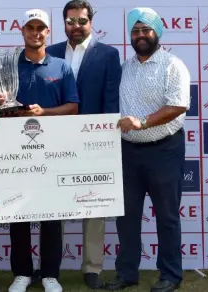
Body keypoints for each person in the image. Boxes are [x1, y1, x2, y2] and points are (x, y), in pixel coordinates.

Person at [105, 7, 190, 292]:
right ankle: (127, 274)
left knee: (166, 216)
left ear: (157, 33)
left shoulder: (172, 64)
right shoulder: (126, 67)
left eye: (145, 30)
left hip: (165, 150)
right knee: (126, 218)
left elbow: (178, 106)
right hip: (128, 152)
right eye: (135, 31)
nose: (140, 35)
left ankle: (170, 275)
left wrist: (142, 122)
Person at [43, 0, 122, 289]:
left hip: (94, 142)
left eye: (82, 21)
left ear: (91, 21)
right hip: (54, 142)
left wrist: (105, 141)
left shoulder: (109, 55)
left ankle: (92, 267)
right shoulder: (49, 52)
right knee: (54, 206)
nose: (76, 26)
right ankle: (51, 268)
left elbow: (112, 101)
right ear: (64, 22)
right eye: (71, 21)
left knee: (94, 204)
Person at [0, 9, 79, 292]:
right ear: (22, 31)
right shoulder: (7, 67)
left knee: (50, 214)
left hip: (52, 152)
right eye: (30, 27)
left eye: (41, 28)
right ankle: (21, 273)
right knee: (18, 213)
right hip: (14, 152)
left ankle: (49, 275)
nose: (35, 32)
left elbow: (73, 107)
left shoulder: (61, 67)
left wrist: (44, 112)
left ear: (48, 32)